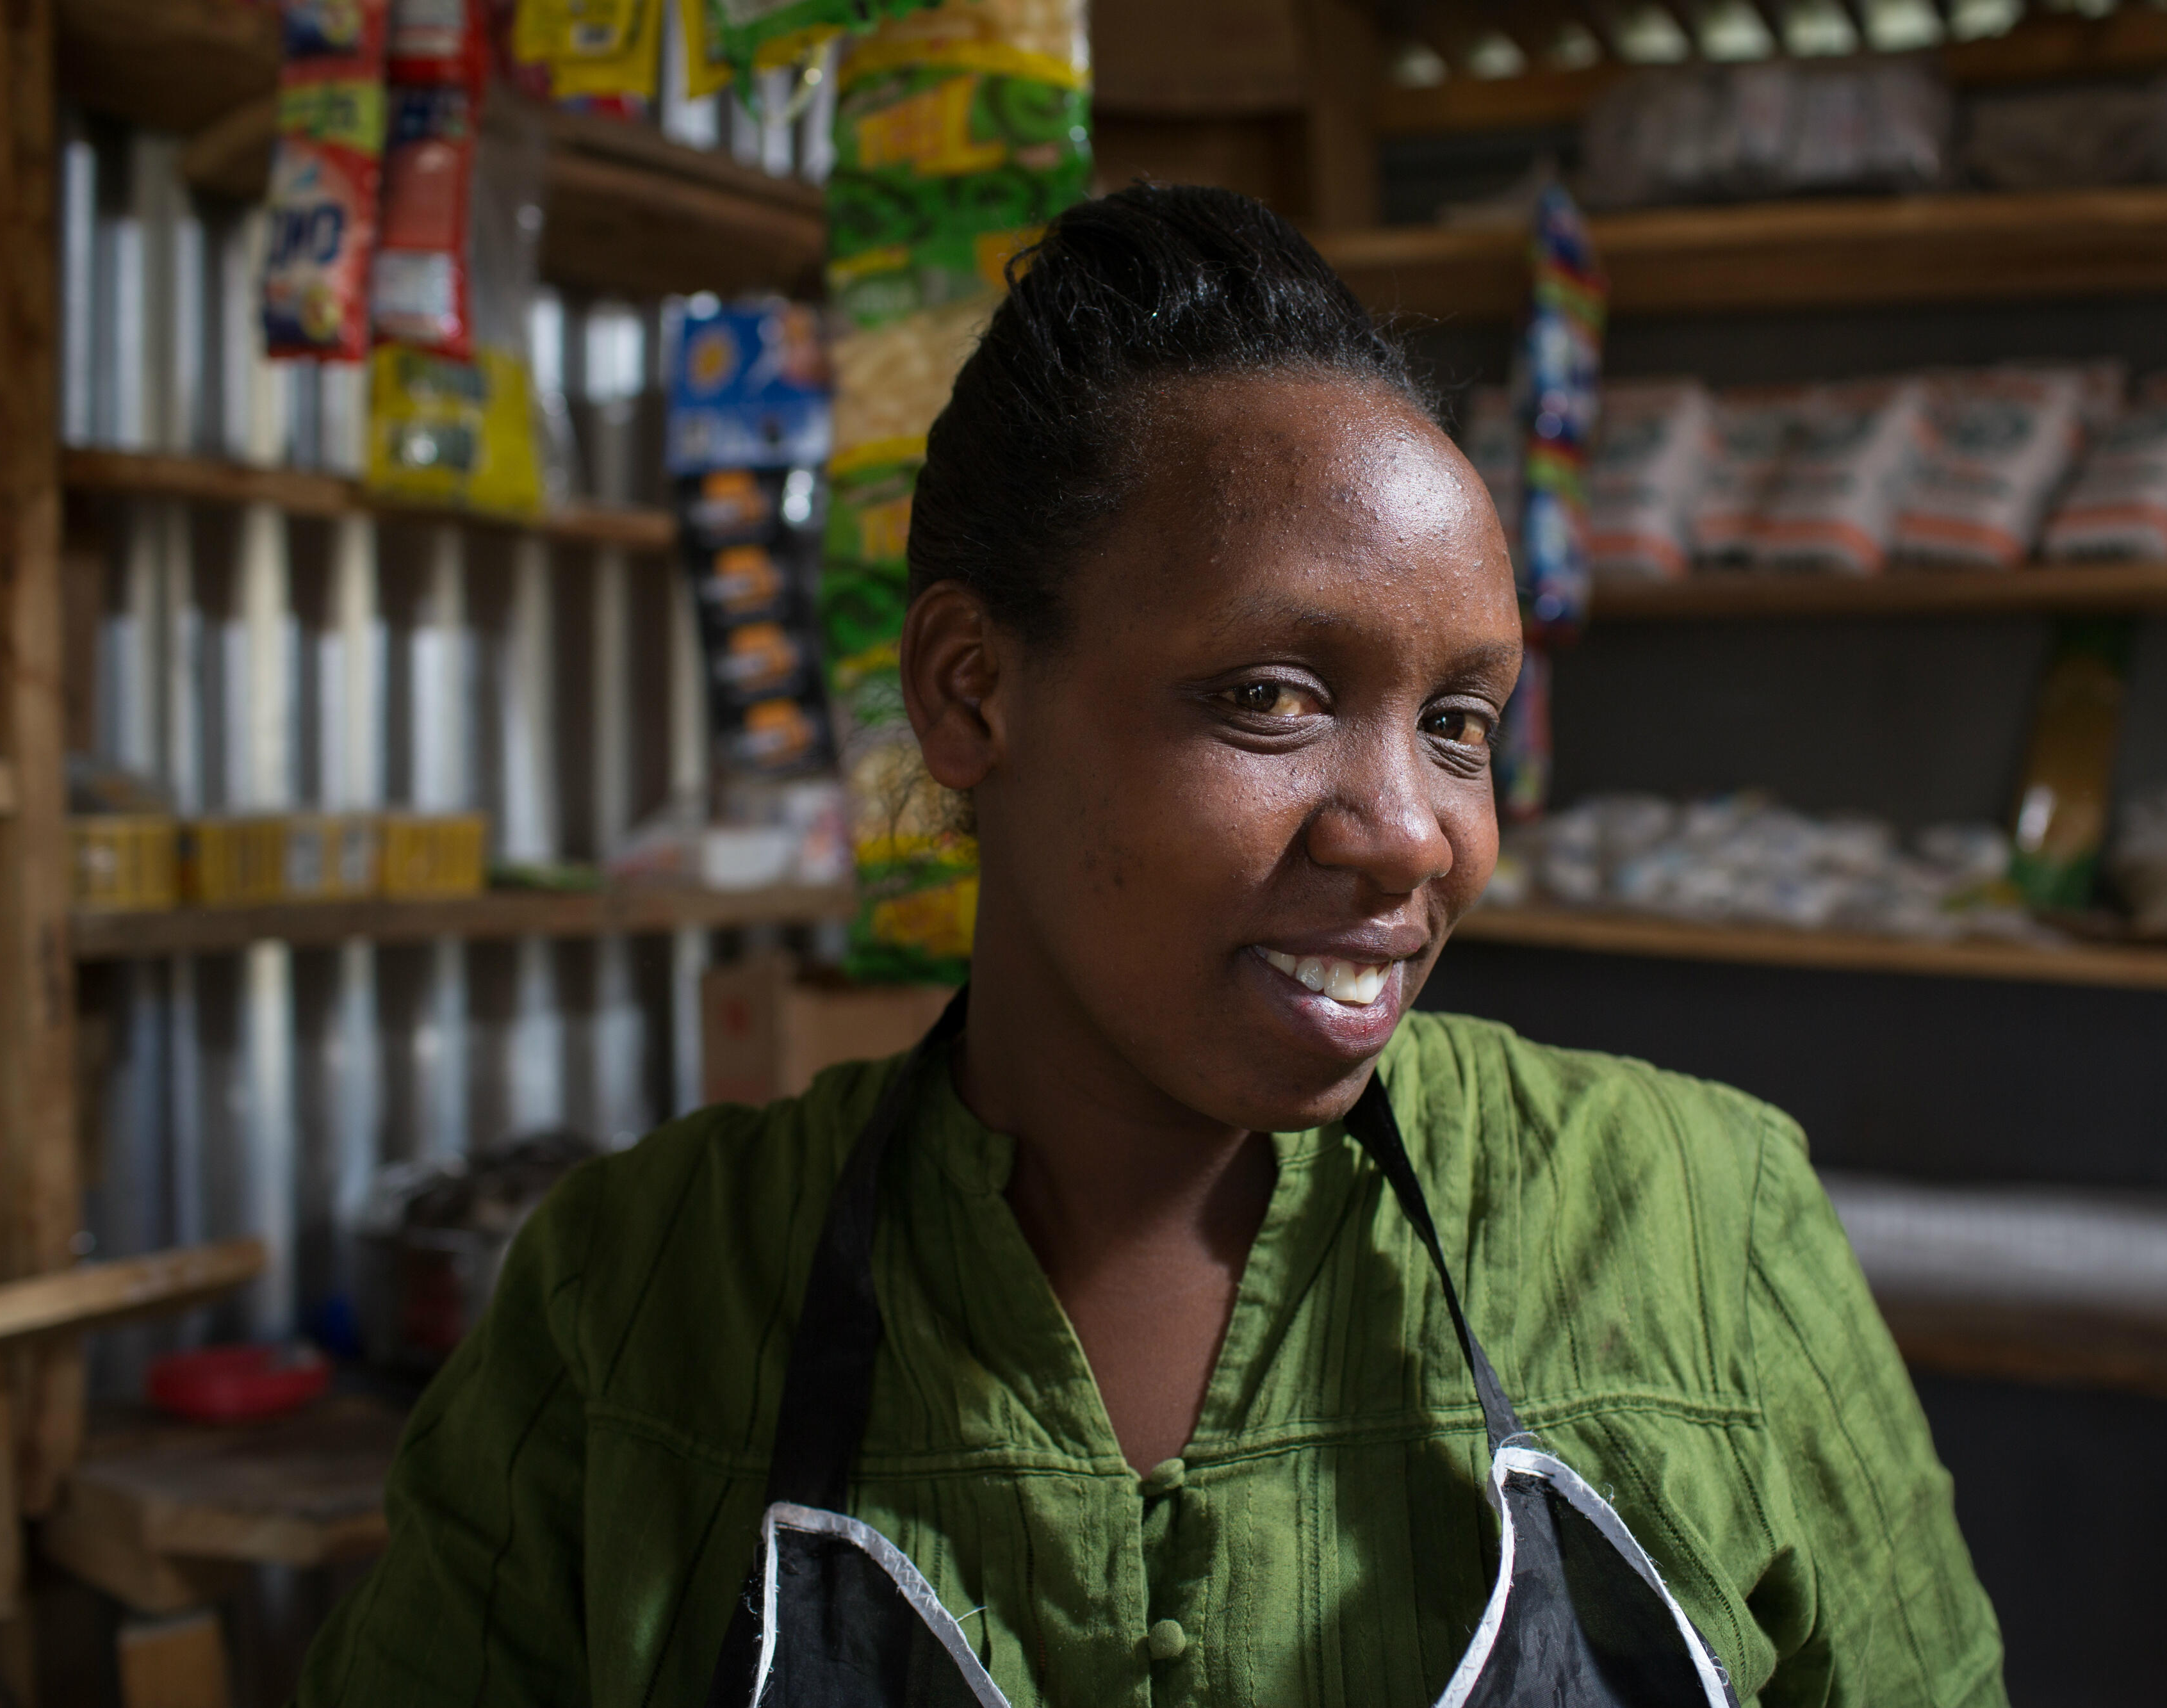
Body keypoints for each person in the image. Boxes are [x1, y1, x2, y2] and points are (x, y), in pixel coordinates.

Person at [295, 184, 2005, 1708]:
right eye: (1273, 695)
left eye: (1462, 720)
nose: (1414, 829)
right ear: (974, 691)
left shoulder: (1703, 1228)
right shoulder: (640, 1299)